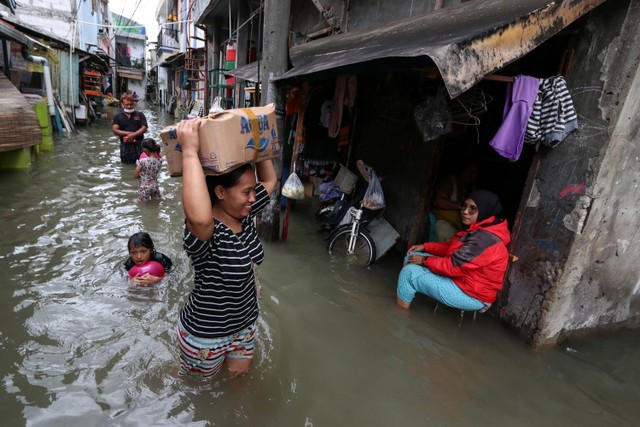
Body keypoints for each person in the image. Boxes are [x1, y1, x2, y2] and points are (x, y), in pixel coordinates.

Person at [175, 118, 277, 380]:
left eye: (253, 191)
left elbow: (270, 180)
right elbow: (198, 217)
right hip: (205, 337)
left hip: (244, 328)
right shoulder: (206, 233)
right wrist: (189, 152)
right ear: (220, 192)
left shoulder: (245, 212)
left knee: (238, 383)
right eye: (246, 192)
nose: (253, 198)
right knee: (198, 392)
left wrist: (257, 129)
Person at [397, 190, 510, 312]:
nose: (465, 212)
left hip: (472, 295)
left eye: (472, 209)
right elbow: (452, 248)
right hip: (463, 280)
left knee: (408, 273)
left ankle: (400, 315)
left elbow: (452, 266)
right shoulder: (481, 229)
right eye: (464, 206)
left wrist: (424, 260)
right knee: (412, 256)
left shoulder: (484, 239)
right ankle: (411, 293)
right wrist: (426, 246)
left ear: (484, 211)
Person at [430, 160, 480, 242]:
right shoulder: (450, 182)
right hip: (443, 221)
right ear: (463, 170)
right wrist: (461, 206)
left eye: (474, 173)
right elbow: (438, 201)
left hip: (457, 226)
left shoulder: (470, 189)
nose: (471, 174)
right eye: (469, 170)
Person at [112, 94, 148, 164]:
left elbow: (144, 128)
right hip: (126, 146)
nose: (129, 106)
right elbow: (115, 130)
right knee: (127, 166)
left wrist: (134, 135)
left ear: (133, 104)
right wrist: (128, 134)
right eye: (127, 105)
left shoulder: (140, 115)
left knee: (144, 164)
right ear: (122, 104)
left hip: (140, 144)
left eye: (131, 104)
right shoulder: (117, 116)